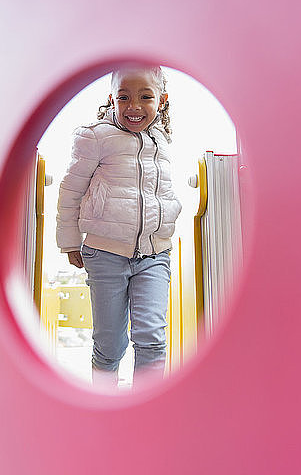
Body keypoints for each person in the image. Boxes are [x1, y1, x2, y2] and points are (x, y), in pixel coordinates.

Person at [56, 65, 182, 388]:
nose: (134, 106)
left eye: (145, 97)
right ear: (112, 99)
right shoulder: (96, 137)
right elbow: (71, 190)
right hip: (105, 253)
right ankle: (104, 403)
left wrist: (167, 225)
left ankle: (148, 413)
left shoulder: (161, 142)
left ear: (162, 100)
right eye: (124, 97)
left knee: (152, 336)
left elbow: (162, 195)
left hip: (154, 255)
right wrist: (70, 240)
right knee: (110, 343)